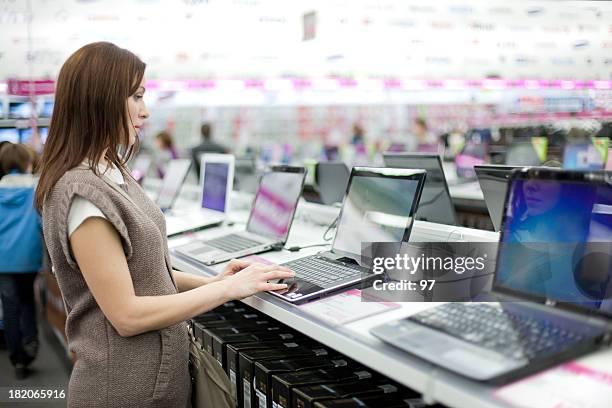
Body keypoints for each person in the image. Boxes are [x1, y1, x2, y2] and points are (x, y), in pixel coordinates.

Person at [34, 42, 293, 408]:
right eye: (136, 96)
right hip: (123, 393)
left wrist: (215, 281)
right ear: (101, 99)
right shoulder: (83, 194)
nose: (145, 110)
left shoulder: (111, 173)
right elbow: (126, 315)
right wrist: (227, 291)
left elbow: (144, 271)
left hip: (153, 386)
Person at [0, 143, 42, 380]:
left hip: (2, 262)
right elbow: (43, 223)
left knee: (10, 308)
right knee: (28, 301)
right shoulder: (36, 190)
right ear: (28, 164)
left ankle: (17, 358)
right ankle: (31, 342)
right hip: (28, 259)